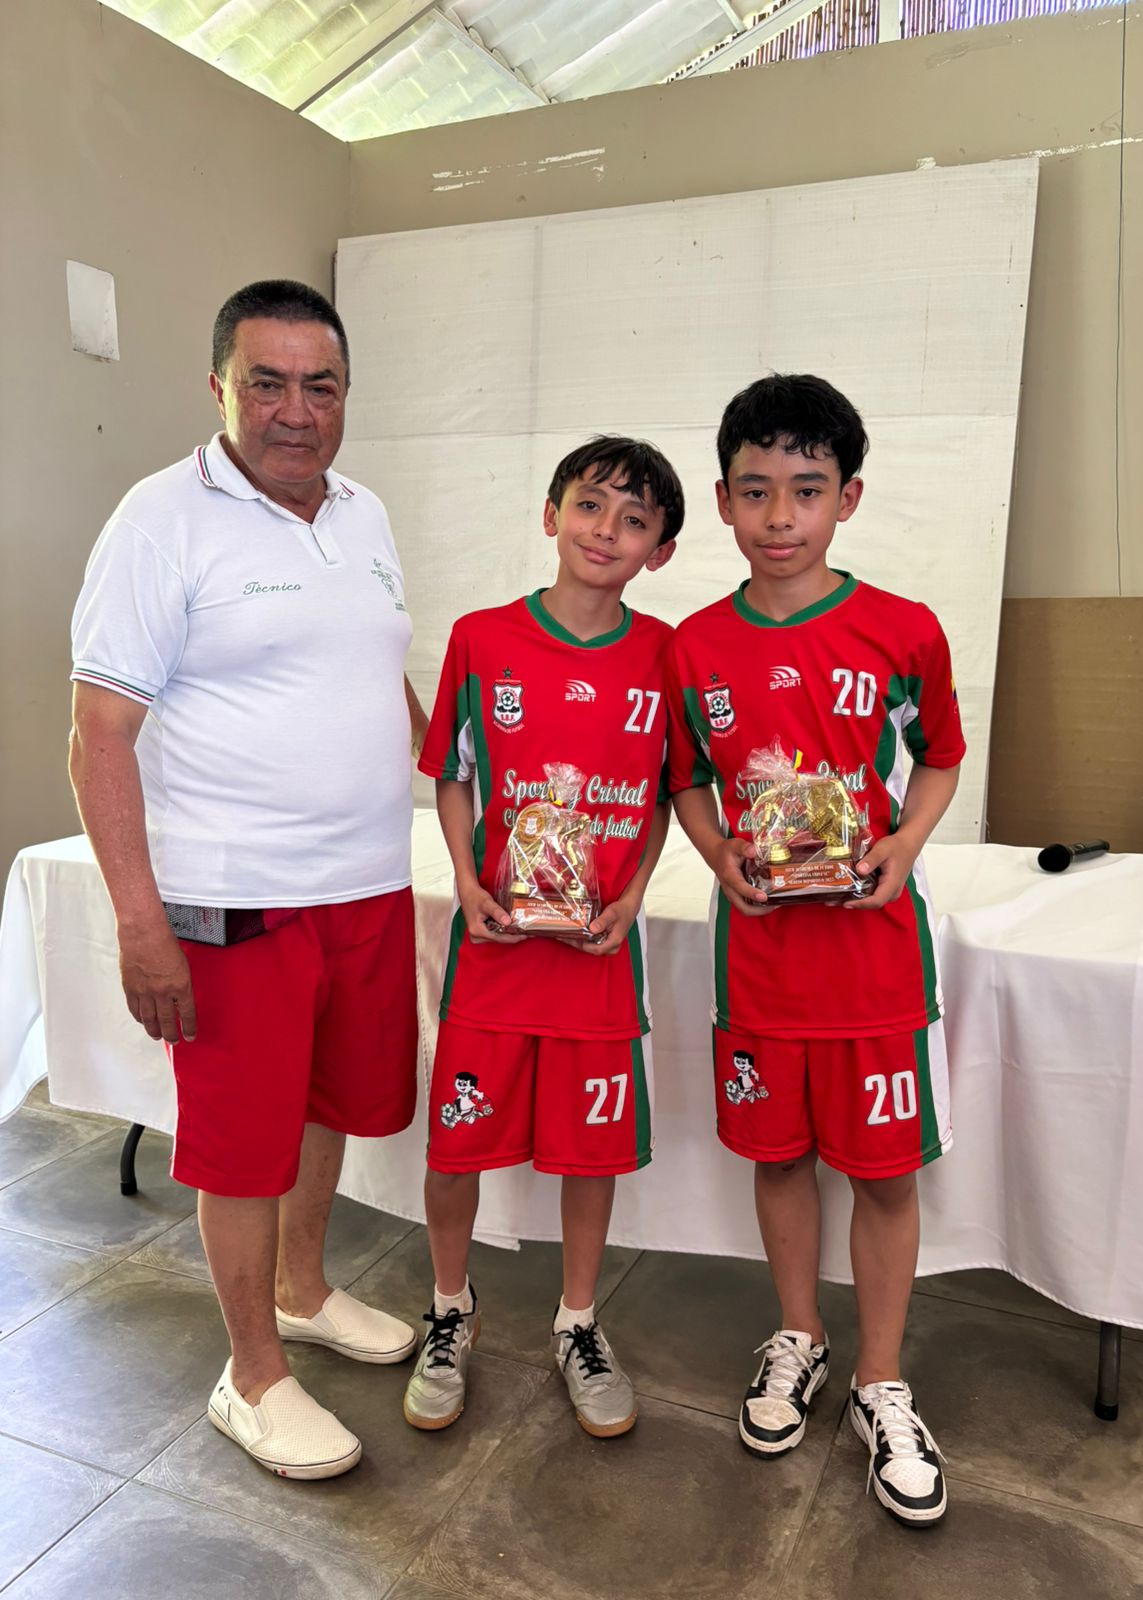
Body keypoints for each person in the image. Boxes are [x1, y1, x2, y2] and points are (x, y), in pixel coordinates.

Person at [68, 279, 426, 1481]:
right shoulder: (160, 520)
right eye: (266, 383)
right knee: (242, 1141)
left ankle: (303, 1287)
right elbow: (99, 735)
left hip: (366, 884)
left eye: (320, 385)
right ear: (218, 386)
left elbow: (375, 668)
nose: (295, 410)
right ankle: (252, 1371)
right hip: (236, 898)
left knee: (331, 1101)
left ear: (347, 394)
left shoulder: (365, 514)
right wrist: (141, 924)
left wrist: (464, 765)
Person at [665, 374, 965, 1525]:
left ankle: (882, 1380)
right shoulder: (694, 646)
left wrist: (904, 842)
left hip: (875, 958)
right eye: (755, 490)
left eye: (806, 488)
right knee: (779, 1155)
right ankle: (800, 1335)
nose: (780, 514)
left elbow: (940, 755)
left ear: (849, 497)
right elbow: (687, 779)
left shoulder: (904, 628)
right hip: (761, 962)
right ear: (723, 502)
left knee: (885, 1173)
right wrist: (715, 853)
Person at [405, 436, 683, 1438]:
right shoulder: (483, 639)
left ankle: (577, 1320)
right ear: (552, 514)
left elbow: (665, 794)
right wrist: (465, 874)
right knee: (456, 1141)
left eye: (635, 519)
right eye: (591, 505)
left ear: (659, 550)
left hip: (596, 956)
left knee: (588, 1154)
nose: (607, 530)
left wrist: (633, 895)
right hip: (496, 950)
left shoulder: (668, 655)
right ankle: (450, 1307)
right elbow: (451, 772)